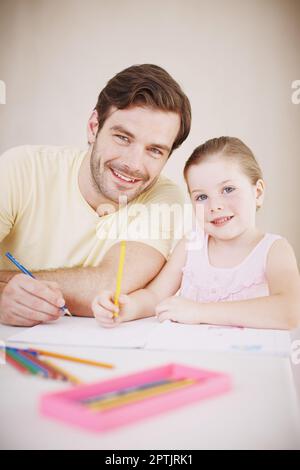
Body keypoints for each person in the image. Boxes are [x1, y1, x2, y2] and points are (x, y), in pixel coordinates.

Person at [0, 64, 192, 326]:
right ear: (93, 127)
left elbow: (110, 286)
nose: (134, 164)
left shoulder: (164, 198)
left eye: (155, 150)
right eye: (123, 138)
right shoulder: (21, 168)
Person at [93, 136, 300, 330]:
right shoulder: (191, 245)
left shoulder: (274, 250)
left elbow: (289, 311)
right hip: (194, 355)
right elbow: (155, 295)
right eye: (201, 197)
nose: (215, 206)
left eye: (228, 190)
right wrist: (126, 307)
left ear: (258, 193)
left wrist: (199, 311)